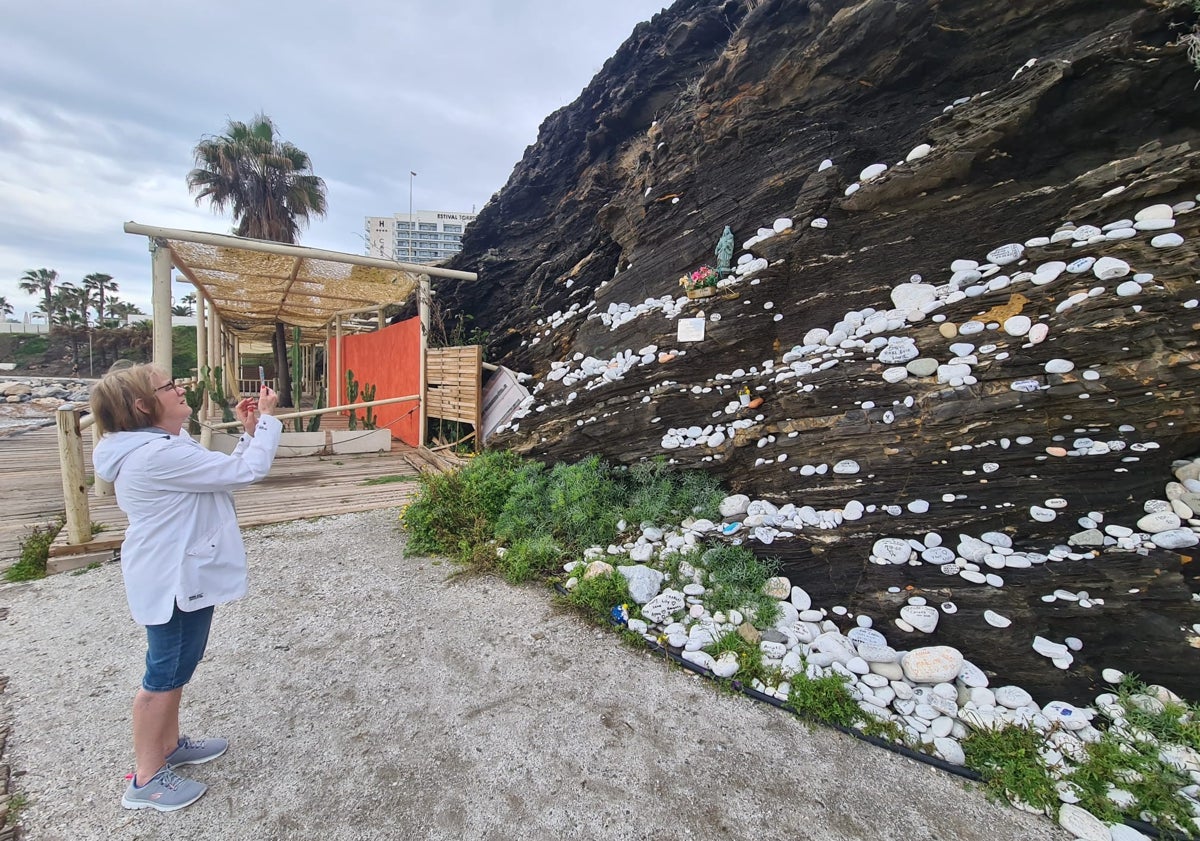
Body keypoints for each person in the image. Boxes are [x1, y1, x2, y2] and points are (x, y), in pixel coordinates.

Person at [90, 364, 281, 812]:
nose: (180, 390)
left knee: (177, 667)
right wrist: (269, 420)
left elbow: (222, 472)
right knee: (162, 677)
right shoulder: (156, 454)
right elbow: (248, 473)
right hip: (173, 580)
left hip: (177, 574)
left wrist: (249, 431)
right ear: (142, 406)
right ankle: (147, 778)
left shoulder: (163, 443)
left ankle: (169, 747)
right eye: (169, 386)